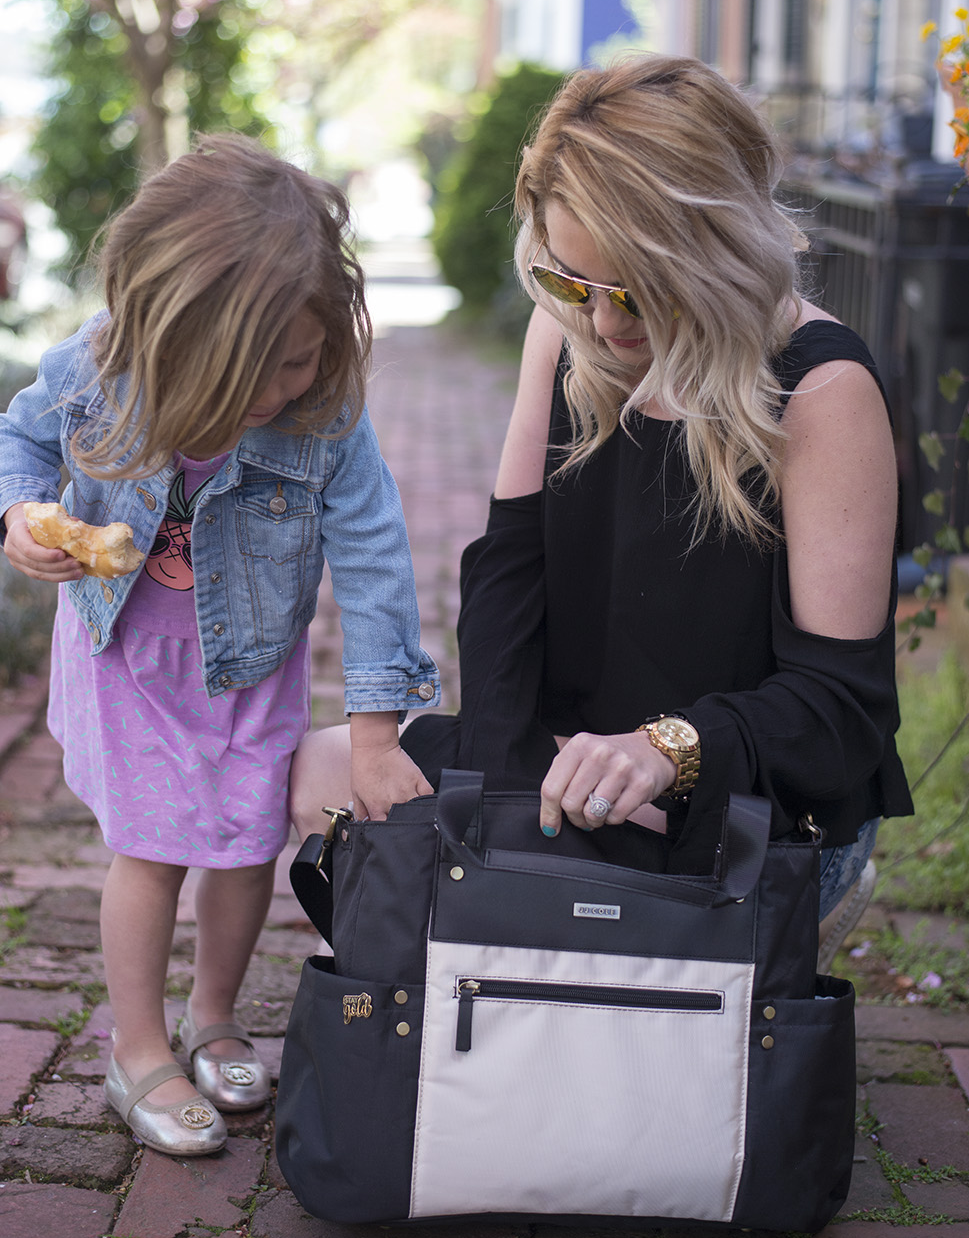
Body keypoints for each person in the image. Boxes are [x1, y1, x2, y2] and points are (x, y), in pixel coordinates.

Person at [290, 55, 913, 969]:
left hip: (740, 801)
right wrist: (502, 783)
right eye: (572, 282)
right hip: (561, 769)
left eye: (632, 290)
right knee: (322, 772)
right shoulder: (572, 328)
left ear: (712, 248)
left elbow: (837, 709)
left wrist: (670, 748)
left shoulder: (821, 390)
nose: (602, 321)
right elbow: (509, 572)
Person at [0, 133, 438, 1157]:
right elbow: (17, 436)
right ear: (168, 333)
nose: (281, 387)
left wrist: (374, 733)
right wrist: (21, 512)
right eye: (253, 370)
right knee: (151, 851)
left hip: (249, 667)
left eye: (300, 358)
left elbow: (374, 557)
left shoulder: (325, 415)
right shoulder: (98, 365)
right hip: (127, 662)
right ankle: (139, 1048)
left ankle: (214, 1015)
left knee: (246, 846)